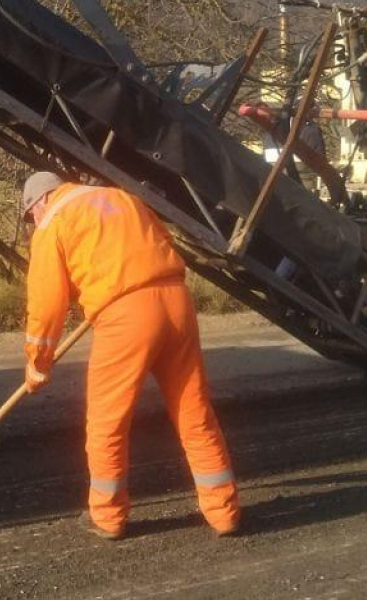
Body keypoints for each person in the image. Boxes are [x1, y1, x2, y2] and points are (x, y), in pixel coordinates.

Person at [18, 171, 241, 540]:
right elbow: (159, 242)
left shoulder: (55, 221)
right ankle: (224, 512)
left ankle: (107, 517)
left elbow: (45, 304)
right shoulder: (120, 197)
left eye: (31, 215)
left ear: (40, 201)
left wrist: (37, 362)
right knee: (195, 413)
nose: (34, 221)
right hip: (176, 300)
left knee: (108, 422)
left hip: (127, 317)